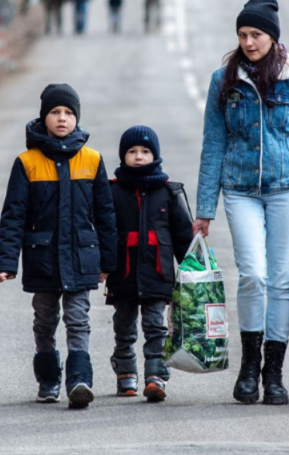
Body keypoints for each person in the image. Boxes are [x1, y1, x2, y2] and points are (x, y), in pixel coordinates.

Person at [193, 0, 289, 406]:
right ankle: (248, 368)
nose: (249, 42)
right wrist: (204, 209)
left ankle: (274, 373)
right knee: (252, 274)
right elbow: (213, 144)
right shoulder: (224, 80)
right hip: (240, 190)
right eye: (242, 34)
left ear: (272, 36)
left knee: (281, 277)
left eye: (255, 34)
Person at [0, 83, 118, 408]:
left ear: (77, 118)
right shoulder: (27, 162)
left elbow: (105, 216)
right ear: (44, 117)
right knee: (45, 320)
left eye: (68, 113)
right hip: (43, 260)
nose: (62, 118)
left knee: (78, 318)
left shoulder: (92, 160)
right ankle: (48, 380)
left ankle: (79, 380)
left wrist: (108, 261)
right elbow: (13, 215)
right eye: (55, 112)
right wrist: (7, 263)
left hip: (81, 258)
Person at [105, 126, 194, 402]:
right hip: (124, 273)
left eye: (145, 151)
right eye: (132, 152)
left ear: (155, 155)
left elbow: (183, 236)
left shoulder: (169, 191)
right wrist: (102, 265)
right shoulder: (112, 191)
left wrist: (193, 269)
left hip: (158, 273)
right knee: (124, 326)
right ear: (123, 156)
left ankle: (156, 376)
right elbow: (104, 232)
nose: (139, 156)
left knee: (156, 326)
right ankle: (125, 373)